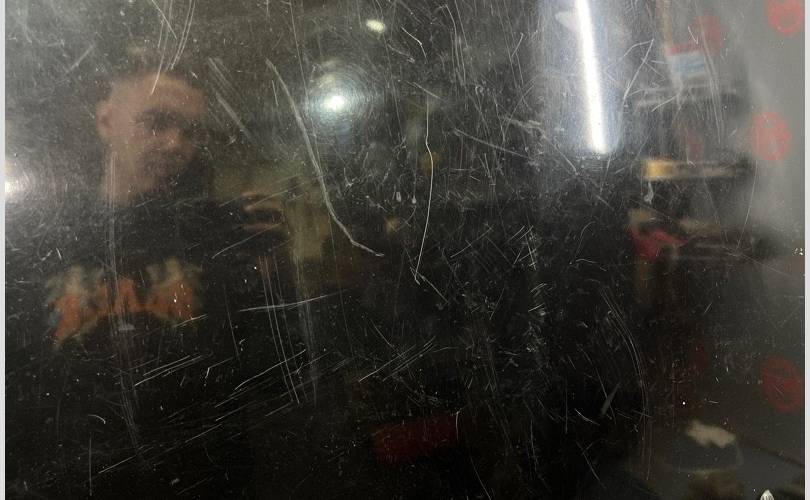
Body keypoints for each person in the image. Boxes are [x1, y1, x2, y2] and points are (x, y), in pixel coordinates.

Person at [5, 55, 279, 498]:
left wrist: (269, 276)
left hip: (193, 480)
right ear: (106, 121)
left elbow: (262, 380)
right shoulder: (36, 240)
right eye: (157, 122)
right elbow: (16, 381)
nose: (175, 144)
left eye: (190, 131)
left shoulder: (214, 233)